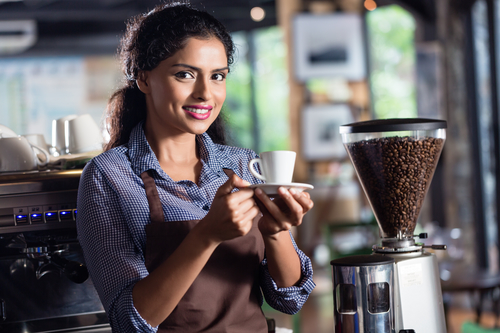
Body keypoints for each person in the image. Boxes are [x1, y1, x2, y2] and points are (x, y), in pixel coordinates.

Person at [76, 2, 315, 332]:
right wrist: (206, 235)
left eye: (217, 76)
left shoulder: (243, 164)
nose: (205, 93)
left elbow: (290, 300)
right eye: (185, 74)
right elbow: (130, 321)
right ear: (143, 78)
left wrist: (276, 232)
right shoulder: (109, 177)